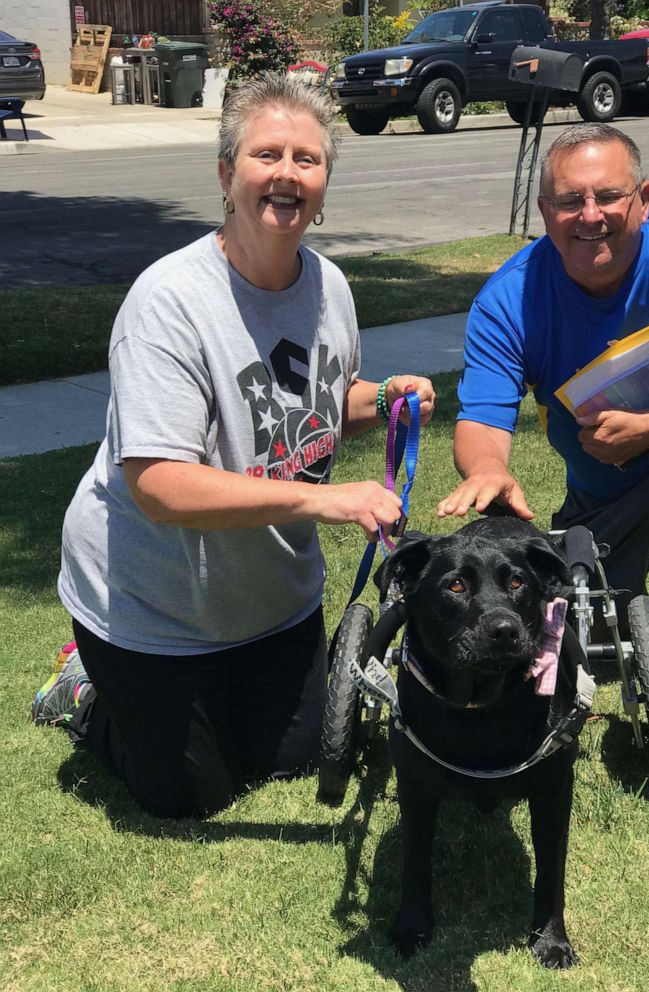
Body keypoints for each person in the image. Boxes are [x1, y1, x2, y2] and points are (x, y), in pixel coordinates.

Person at [31, 72, 435, 818]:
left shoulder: (330, 288)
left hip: (270, 602)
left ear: (323, 184)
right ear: (227, 174)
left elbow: (309, 407)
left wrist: (379, 400)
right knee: (190, 794)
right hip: (153, 606)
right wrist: (324, 498)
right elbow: (160, 485)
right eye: (266, 155)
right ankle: (87, 692)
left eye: (307, 160)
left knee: (302, 757)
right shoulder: (170, 302)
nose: (287, 175)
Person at [438, 122, 649, 759]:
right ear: (545, 211)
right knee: (592, 635)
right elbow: (482, 419)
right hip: (605, 497)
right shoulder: (509, 298)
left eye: (608, 197)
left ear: (643, 197)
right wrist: (488, 468)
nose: (591, 216)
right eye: (570, 201)